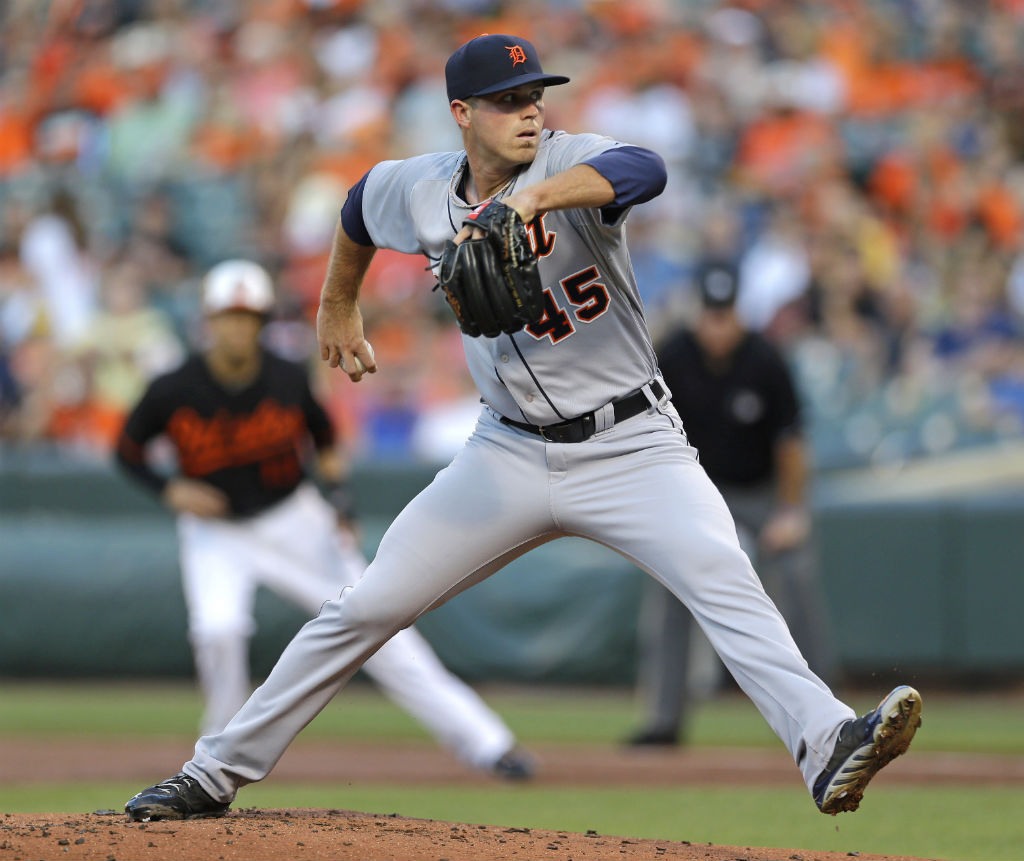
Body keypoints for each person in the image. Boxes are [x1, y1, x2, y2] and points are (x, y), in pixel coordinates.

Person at [124, 34, 921, 822]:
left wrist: (534, 198)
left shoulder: (571, 160)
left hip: (631, 442)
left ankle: (825, 742)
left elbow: (646, 168)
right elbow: (358, 203)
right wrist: (339, 301)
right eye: (508, 102)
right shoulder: (423, 188)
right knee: (364, 606)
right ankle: (214, 770)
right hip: (504, 453)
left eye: (535, 96)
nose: (529, 113)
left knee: (723, 574)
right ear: (461, 113)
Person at [114, 258, 533, 780]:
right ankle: (215, 761)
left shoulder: (286, 376)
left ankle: (487, 744)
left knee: (379, 622)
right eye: (228, 316)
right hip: (216, 534)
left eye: (247, 316)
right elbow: (126, 450)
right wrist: (171, 489)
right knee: (217, 633)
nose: (237, 327)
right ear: (209, 321)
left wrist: (339, 502)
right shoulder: (173, 387)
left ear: (262, 321)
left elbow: (326, 442)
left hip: (294, 519)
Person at [627, 261, 838, 747]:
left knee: (797, 577)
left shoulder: (764, 358)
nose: (718, 326)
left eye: (726, 314)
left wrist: (791, 511)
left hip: (758, 490)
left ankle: (830, 717)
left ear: (738, 312)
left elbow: (791, 442)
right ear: (699, 310)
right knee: (669, 590)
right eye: (711, 314)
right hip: (695, 489)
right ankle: (664, 720)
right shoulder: (675, 354)